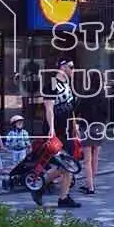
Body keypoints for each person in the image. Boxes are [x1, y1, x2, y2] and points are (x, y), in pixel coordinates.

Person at [31, 58, 81, 208]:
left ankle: (61, 197)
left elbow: (71, 107)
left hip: (67, 131)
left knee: (68, 164)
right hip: (57, 132)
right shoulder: (52, 84)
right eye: (71, 66)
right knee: (65, 164)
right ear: (62, 67)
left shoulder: (67, 84)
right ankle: (41, 187)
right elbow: (49, 108)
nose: (73, 69)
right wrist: (51, 128)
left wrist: (75, 125)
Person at [75, 69, 110, 195]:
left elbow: (77, 110)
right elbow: (106, 114)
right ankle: (91, 182)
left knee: (87, 160)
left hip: (87, 127)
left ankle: (90, 187)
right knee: (95, 157)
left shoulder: (85, 95)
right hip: (99, 127)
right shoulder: (103, 95)